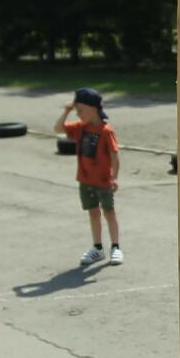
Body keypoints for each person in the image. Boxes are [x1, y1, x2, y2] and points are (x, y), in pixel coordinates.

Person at [52, 88, 121, 267]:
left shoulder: (106, 131)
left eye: (80, 110)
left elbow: (114, 155)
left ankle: (115, 247)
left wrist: (114, 177)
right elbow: (57, 128)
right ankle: (97, 248)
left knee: (109, 212)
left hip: (103, 181)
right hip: (85, 180)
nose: (78, 114)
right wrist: (67, 110)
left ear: (93, 109)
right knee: (93, 212)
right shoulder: (80, 128)